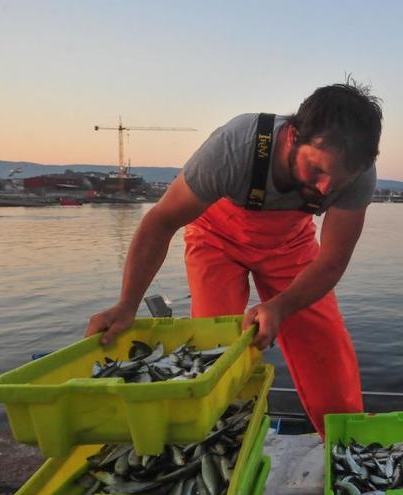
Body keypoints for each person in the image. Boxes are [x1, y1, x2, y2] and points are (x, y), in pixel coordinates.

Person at [84, 81, 383, 435]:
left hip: (290, 244)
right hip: (216, 238)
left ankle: (346, 443)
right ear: (292, 136)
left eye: (337, 181)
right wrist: (127, 303)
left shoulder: (359, 176)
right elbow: (160, 222)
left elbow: (332, 261)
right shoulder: (235, 147)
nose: (323, 189)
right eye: (316, 170)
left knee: (325, 345)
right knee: (218, 348)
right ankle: (227, 439)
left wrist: (281, 307)